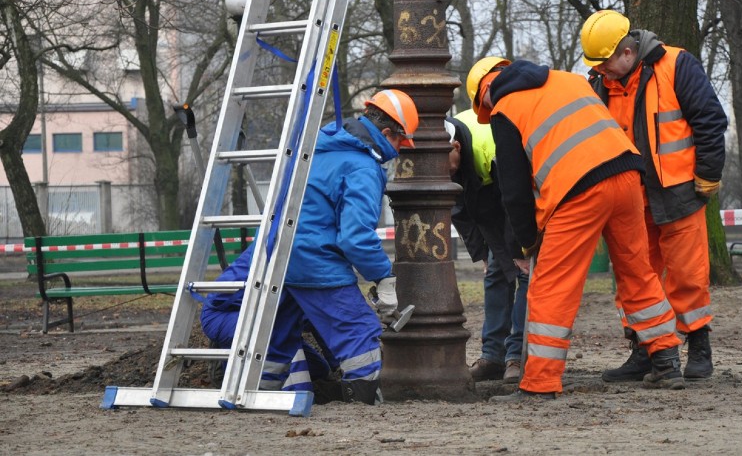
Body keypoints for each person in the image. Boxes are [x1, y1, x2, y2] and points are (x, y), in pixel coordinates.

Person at [468, 56, 685, 401]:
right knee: (637, 272)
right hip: (628, 174)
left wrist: (525, 243)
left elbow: (514, 189)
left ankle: (539, 383)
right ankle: (666, 361)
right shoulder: (567, 79)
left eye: (484, 105)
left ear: (486, 91)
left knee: (551, 286)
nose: (488, 111)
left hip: (579, 189)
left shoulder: (504, 108)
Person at [200, 88, 419, 405]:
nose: (399, 151)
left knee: (277, 333)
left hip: (277, 259)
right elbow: (355, 236)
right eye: (401, 142)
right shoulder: (362, 167)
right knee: (360, 331)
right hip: (315, 261)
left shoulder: (314, 151)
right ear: (387, 133)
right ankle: (362, 399)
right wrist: (383, 277)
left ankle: (263, 395)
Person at [580, 10, 728, 382]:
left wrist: (708, 174)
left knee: (687, 274)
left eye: (606, 62)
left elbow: (709, 119)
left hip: (677, 191)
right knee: (634, 276)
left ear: (627, 52)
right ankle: (645, 351)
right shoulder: (598, 82)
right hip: (628, 198)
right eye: (596, 65)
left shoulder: (676, 64)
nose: (602, 70)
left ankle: (698, 348)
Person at [445, 107, 528, 384]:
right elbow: (461, 210)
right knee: (495, 272)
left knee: (525, 273)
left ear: (455, 147)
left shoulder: (488, 144)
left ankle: (517, 355)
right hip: (495, 201)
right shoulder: (451, 159)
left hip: (523, 197)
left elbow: (514, 197)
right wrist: (483, 254)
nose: (441, 172)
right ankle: (493, 355)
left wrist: (519, 249)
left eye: (445, 164)